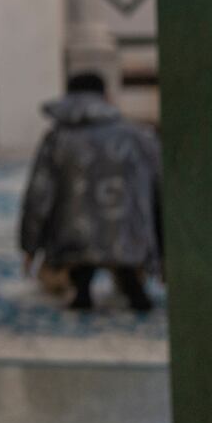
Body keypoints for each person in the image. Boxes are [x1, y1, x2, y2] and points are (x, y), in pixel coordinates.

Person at [19, 72, 163, 312]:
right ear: (106, 96)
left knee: (80, 266)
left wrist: (30, 246)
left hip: (75, 239)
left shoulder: (58, 139)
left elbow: (39, 196)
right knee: (134, 289)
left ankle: (82, 288)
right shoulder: (136, 135)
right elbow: (159, 187)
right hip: (129, 238)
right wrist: (163, 248)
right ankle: (132, 287)